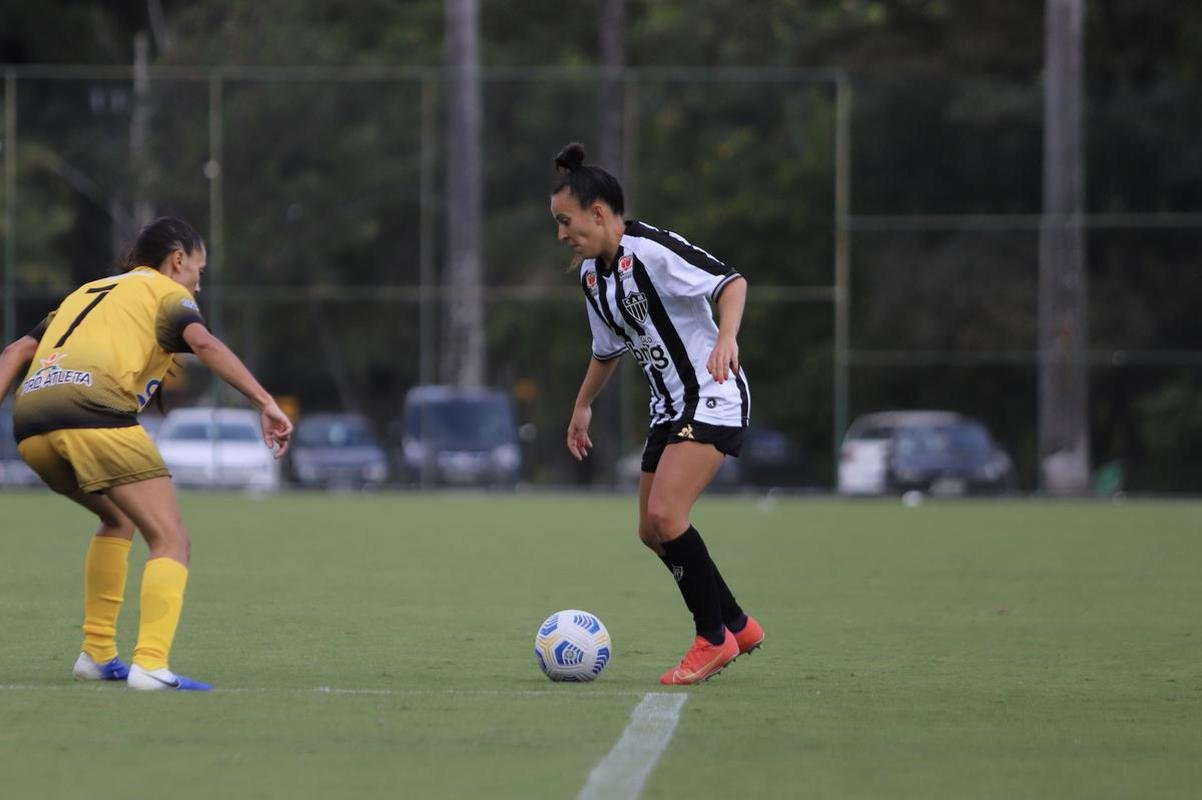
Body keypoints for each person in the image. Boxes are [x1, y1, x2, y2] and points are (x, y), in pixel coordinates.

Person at [0, 216, 293, 691]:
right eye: (199, 270)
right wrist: (265, 401)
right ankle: (151, 665)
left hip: (32, 424)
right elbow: (204, 342)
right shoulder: (165, 292)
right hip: (93, 416)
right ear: (178, 259)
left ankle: (97, 654)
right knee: (172, 540)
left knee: (119, 520)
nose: (199, 283)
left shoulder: (87, 292)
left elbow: (15, 352)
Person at [550, 142, 764, 685]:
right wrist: (581, 407)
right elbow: (607, 350)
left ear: (598, 213)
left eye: (565, 221)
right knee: (650, 529)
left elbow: (731, 283)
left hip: (712, 395)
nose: (561, 234)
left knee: (669, 514)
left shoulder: (652, 250)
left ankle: (712, 639)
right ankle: (737, 624)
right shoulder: (593, 279)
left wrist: (728, 340)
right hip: (668, 407)